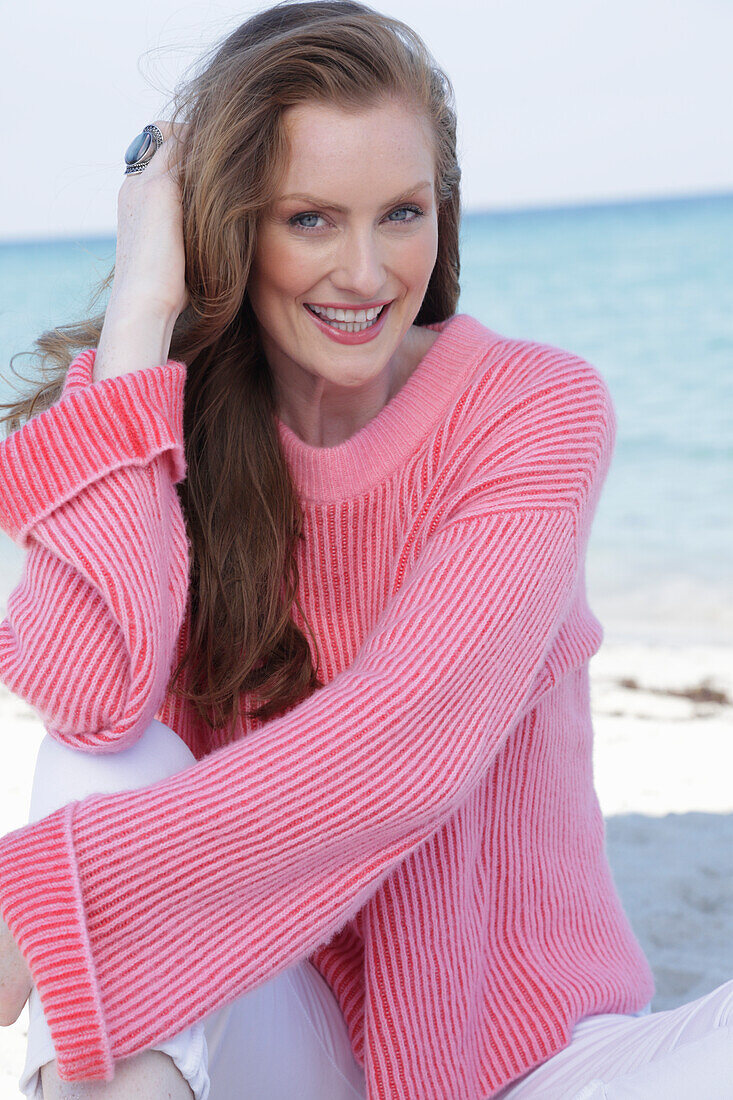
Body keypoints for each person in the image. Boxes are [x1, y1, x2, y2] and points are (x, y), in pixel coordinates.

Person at [0, 2, 730, 1098]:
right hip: (276, 1032)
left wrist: (31, 910)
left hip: (531, 1064)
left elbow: (399, 747)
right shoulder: (171, 424)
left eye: (400, 212)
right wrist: (141, 318)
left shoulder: (532, 409)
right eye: (309, 220)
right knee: (101, 763)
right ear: (230, 224)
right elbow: (96, 699)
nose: (364, 272)